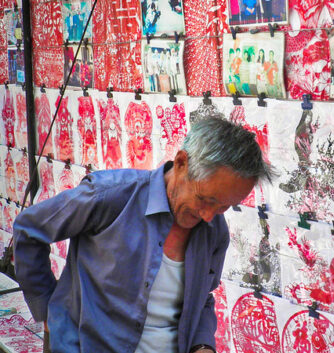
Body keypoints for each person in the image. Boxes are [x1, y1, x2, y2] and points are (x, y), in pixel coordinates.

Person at [13, 115, 274, 353]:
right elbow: (29, 230)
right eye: (205, 199)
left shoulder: (215, 231)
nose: (208, 216)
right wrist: (47, 308)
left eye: (224, 206)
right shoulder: (110, 196)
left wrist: (202, 344)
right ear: (182, 163)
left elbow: (202, 298)